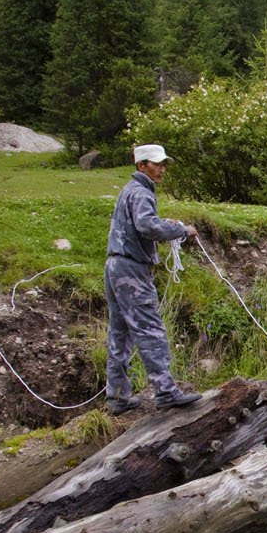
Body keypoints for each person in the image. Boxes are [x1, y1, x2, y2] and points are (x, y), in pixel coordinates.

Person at [104, 143, 203, 415]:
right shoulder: (141, 192)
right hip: (131, 270)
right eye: (156, 164)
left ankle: (118, 396)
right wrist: (180, 229)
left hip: (115, 265)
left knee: (120, 332)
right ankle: (166, 392)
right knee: (150, 330)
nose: (161, 169)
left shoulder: (131, 191)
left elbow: (143, 223)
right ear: (141, 165)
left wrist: (166, 224)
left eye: (163, 164)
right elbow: (147, 226)